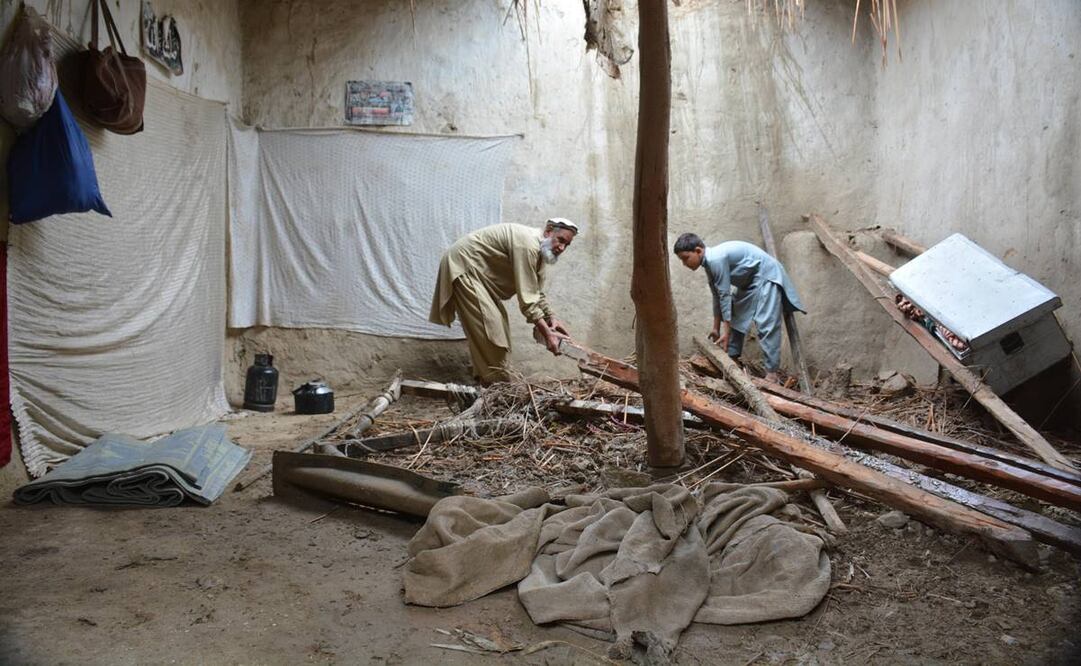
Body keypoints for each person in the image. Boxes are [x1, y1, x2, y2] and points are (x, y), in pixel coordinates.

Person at [430, 218, 578, 384]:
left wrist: (552, 318)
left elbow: (535, 291)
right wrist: (547, 332)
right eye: (561, 240)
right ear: (549, 231)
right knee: (492, 332)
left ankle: (487, 384)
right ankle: (498, 390)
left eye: (567, 245)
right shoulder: (527, 245)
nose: (561, 248)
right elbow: (528, 300)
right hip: (465, 267)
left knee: (499, 332)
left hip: (480, 279)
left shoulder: (540, 251)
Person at [673, 233, 805, 384]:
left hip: (766, 275)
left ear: (698, 251)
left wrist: (726, 332)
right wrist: (716, 328)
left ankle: (772, 374)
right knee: (736, 316)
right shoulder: (709, 263)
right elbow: (717, 296)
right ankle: (732, 359)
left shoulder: (716, 259)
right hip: (749, 283)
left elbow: (724, 295)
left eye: (685, 258)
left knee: (766, 324)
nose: (684, 263)